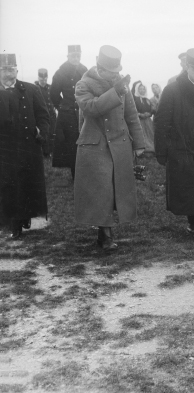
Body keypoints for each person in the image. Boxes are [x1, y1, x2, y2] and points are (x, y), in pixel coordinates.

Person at [74, 45, 145, 251]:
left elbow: (131, 114)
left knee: (116, 189)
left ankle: (105, 232)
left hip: (120, 143)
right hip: (95, 146)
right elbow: (92, 108)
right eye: (111, 73)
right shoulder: (83, 84)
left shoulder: (120, 84)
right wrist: (115, 91)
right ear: (100, 68)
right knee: (101, 191)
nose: (115, 76)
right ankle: (105, 235)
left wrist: (139, 144)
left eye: (117, 72)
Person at [155, 48, 194, 236]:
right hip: (181, 147)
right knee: (190, 186)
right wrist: (162, 151)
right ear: (187, 67)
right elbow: (162, 121)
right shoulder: (172, 90)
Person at [0, 54, 50, 239]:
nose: (8, 73)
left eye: (11, 69)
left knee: (26, 185)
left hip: (28, 146)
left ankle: (24, 217)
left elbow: (43, 116)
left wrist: (41, 132)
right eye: (4, 70)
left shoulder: (30, 90)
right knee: (8, 185)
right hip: (4, 149)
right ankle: (13, 223)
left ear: (17, 71)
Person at [50, 45, 88, 179]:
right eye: (73, 56)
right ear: (68, 56)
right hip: (68, 114)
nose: (76, 58)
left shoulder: (84, 70)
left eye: (78, 56)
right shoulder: (60, 72)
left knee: (86, 141)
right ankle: (75, 175)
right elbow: (53, 94)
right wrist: (63, 106)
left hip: (84, 111)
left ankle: (86, 172)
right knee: (72, 143)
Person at [35, 68, 57, 154]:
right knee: (43, 134)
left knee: (52, 133)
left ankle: (50, 152)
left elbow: (55, 99)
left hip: (51, 115)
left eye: (45, 79)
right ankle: (44, 153)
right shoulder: (35, 89)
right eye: (41, 79)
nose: (43, 81)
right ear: (38, 78)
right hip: (41, 117)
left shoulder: (50, 88)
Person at [131, 81, 155, 154]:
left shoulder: (147, 100)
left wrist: (149, 114)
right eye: (140, 89)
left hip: (148, 121)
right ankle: (144, 150)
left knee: (150, 134)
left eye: (143, 89)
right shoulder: (135, 99)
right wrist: (140, 115)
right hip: (140, 121)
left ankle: (151, 148)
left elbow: (151, 110)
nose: (142, 90)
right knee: (142, 135)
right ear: (137, 90)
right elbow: (133, 111)